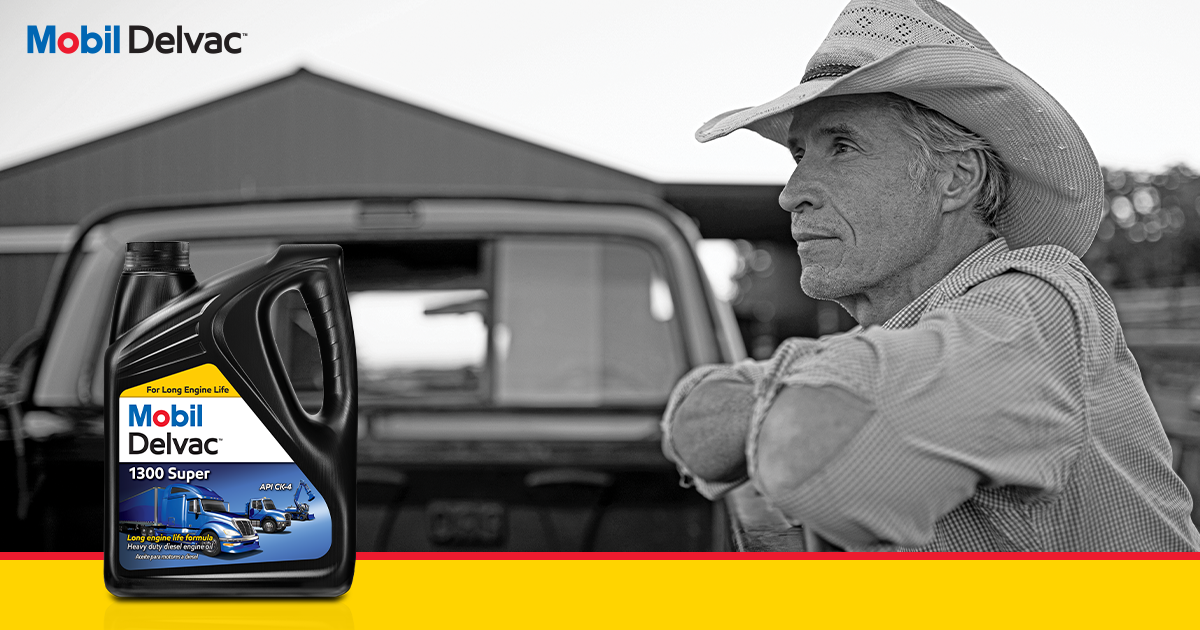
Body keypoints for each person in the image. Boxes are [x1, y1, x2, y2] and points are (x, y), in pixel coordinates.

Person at [660, 0, 1200, 551]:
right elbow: (693, 427)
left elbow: (809, 454)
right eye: (799, 153)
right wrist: (805, 389)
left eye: (841, 146)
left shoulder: (1037, 298)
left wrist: (774, 392)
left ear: (955, 179)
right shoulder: (902, 337)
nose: (791, 192)